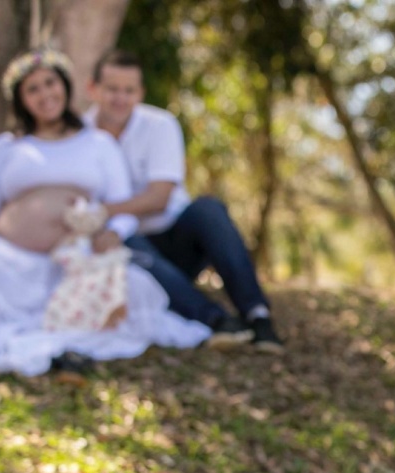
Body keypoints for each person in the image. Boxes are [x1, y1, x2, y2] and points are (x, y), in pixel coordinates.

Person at [0, 48, 209, 378]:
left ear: (64, 86)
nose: (45, 94)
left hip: (75, 259)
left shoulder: (98, 143)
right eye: (33, 89)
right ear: (21, 99)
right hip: (11, 259)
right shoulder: (6, 146)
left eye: (50, 83)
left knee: (134, 290)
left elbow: (121, 205)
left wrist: (113, 232)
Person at [84, 50, 284, 353]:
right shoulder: (79, 134)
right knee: (125, 243)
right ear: (93, 89)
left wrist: (102, 211)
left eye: (129, 90)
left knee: (209, 210)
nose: (120, 98)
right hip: (127, 248)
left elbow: (159, 198)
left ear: (140, 93)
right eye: (112, 89)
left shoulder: (160, 124)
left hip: (176, 240)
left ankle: (258, 315)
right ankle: (218, 321)